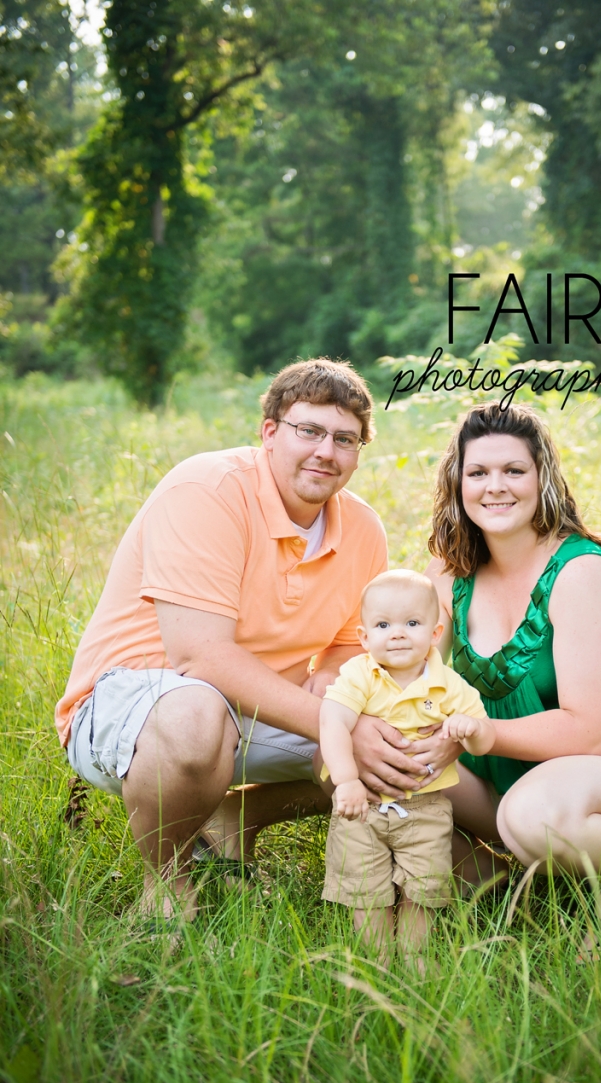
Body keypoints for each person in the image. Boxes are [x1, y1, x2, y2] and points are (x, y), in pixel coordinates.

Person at [54, 359, 447, 922]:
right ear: (269, 432)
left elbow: (346, 645)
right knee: (196, 715)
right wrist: (338, 725)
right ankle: (167, 884)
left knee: (398, 735)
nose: (326, 451)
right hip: (138, 706)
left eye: (345, 439)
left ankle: (237, 819)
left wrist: (336, 685)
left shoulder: (362, 528)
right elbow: (200, 658)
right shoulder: (206, 490)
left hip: (256, 708)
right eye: (308, 431)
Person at [425, 402, 601, 946]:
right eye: (478, 472)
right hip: (502, 778)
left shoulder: (581, 572)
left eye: (513, 470)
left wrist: (483, 732)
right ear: (458, 483)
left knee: (534, 812)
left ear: (542, 478)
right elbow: (410, 676)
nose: (495, 487)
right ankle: (491, 876)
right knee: (367, 757)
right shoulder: (451, 572)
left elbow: (588, 733)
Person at [317, 570, 494, 962]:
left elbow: (484, 740)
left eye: (412, 623)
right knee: (365, 890)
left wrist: (472, 730)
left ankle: (417, 960)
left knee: (425, 889)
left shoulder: (448, 685)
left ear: (435, 633)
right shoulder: (360, 674)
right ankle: (375, 961)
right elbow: (332, 721)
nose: (397, 634)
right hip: (363, 806)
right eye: (383, 625)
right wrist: (346, 781)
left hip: (426, 808)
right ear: (364, 637)